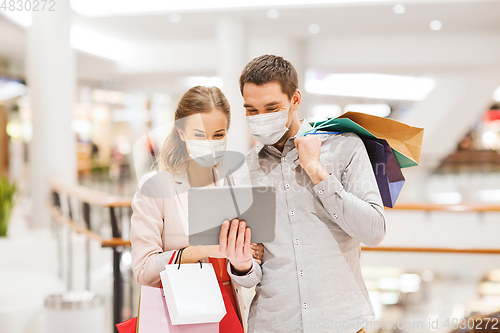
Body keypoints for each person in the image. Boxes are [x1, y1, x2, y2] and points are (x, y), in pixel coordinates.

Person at [218, 55, 387, 333]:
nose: (261, 118)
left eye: (271, 107)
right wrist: (240, 263)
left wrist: (317, 172)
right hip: (274, 324)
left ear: (295, 100)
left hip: (341, 322)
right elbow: (249, 278)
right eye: (251, 110)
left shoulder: (344, 148)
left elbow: (374, 231)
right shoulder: (240, 174)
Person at [130, 86, 263, 332]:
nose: (210, 144)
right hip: (180, 316)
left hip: (228, 314)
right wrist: (199, 250)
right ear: (181, 132)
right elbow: (144, 271)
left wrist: (242, 260)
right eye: (200, 135)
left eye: (218, 135)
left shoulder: (235, 184)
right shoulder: (156, 187)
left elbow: (250, 275)